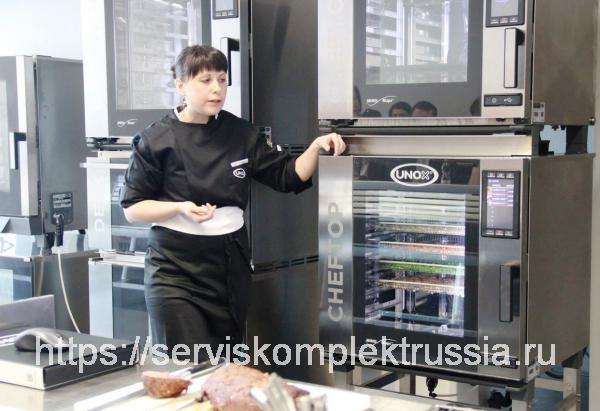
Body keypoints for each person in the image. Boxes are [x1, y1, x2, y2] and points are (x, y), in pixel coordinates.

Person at [120, 45, 345, 358]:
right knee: (187, 364)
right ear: (181, 85)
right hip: (175, 270)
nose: (217, 89)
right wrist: (179, 207)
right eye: (206, 80)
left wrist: (317, 147)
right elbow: (133, 209)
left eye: (222, 80)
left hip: (229, 265)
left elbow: (287, 176)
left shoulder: (240, 132)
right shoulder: (154, 140)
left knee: (224, 364)